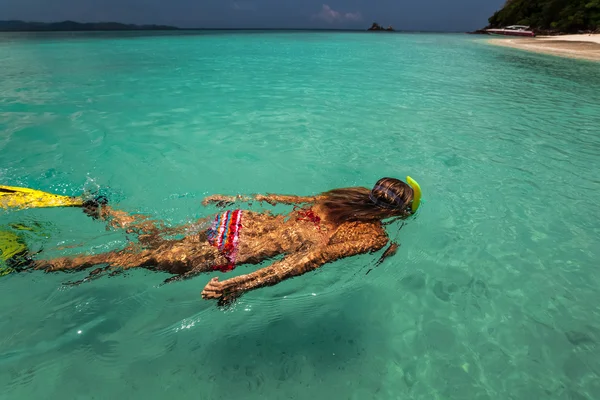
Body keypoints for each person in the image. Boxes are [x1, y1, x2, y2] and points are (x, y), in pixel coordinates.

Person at [27, 177, 421, 304]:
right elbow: (305, 261)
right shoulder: (370, 235)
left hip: (234, 223)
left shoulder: (342, 196)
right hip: (232, 250)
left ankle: (103, 210)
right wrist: (239, 285)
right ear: (398, 212)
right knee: (127, 259)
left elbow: (285, 200)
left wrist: (232, 198)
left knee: (156, 239)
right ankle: (30, 266)